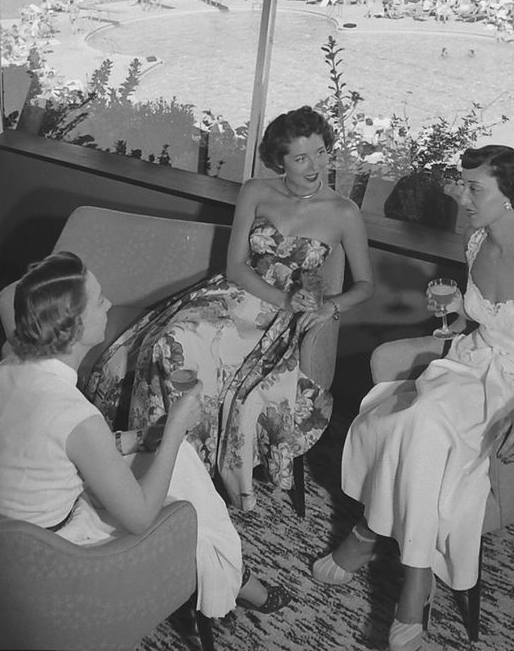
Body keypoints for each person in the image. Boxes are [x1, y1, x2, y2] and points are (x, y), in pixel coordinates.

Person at [312, 145, 514, 651]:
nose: (465, 198)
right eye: (464, 186)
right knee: (414, 423)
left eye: (475, 188)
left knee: (416, 420)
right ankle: (416, 575)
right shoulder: (476, 238)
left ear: (511, 197)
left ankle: (371, 539)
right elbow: (482, 321)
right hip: (470, 360)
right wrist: (457, 318)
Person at [85, 106, 374, 512]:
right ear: (280, 160)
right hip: (232, 297)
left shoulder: (345, 212)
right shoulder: (255, 191)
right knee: (172, 340)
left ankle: (193, 470)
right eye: (301, 157)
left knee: (220, 368)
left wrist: (330, 307)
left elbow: (366, 286)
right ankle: (164, 455)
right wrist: (282, 297)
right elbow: (235, 266)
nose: (316, 166)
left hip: (279, 324)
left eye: (322, 153)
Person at [0, 252, 290, 618]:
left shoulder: (4, 369)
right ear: (75, 329)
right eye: (98, 300)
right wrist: (175, 427)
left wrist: (145, 437)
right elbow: (139, 518)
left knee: (178, 460)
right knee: (187, 494)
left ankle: (228, 577)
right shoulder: (77, 416)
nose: (108, 304)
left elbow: (56, 446)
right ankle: (227, 579)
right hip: (49, 558)